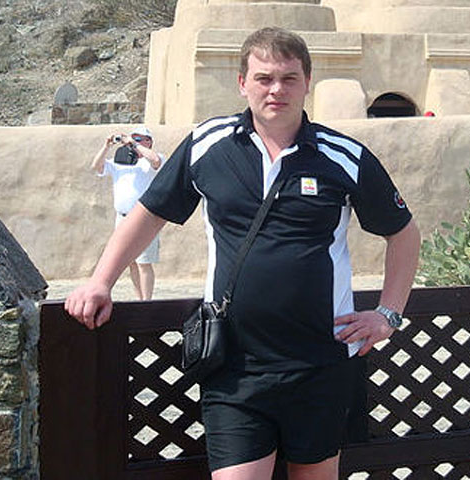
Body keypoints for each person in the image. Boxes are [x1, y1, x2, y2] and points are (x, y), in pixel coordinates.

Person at [66, 27, 420, 480]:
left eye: (289, 78)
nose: (276, 90)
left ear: (307, 83)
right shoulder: (208, 144)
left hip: (322, 362)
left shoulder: (343, 155)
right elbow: (150, 214)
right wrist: (101, 281)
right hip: (235, 365)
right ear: (242, 83)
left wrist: (388, 314)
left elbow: (404, 234)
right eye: (264, 78)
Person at [90, 125, 164, 300]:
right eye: (133, 138)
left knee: (144, 262)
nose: (133, 142)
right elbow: (96, 166)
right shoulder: (120, 162)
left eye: (139, 139)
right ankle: (139, 299)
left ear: (148, 142)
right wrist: (106, 146)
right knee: (130, 262)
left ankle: (147, 302)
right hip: (122, 218)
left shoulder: (150, 161)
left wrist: (134, 144)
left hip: (144, 218)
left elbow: (156, 161)